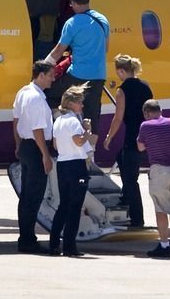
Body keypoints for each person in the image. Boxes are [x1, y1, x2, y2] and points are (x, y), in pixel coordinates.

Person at [45, 0, 109, 150]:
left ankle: (63, 119)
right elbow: (106, 48)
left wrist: (44, 67)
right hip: (98, 75)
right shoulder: (103, 20)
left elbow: (59, 50)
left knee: (49, 95)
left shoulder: (72, 23)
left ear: (73, 3)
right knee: (93, 113)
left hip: (77, 75)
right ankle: (91, 155)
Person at [103, 54, 153, 227]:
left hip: (132, 137)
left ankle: (137, 217)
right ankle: (125, 199)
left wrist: (109, 137)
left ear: (121, 71)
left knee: (131, 179)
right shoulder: (146, 86)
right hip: (147, 135)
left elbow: (118, 117)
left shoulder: (122, 90)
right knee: (121, 160)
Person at [12, 60, 55, 254]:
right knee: (34, 196)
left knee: (27, 197)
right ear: (41, 75)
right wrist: (45, 155)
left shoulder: (23, 92)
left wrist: (19, 144)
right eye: (51, 75)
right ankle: (28, 240)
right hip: (36, 147)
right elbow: (38, 129)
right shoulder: (36, 98)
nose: (53, 79)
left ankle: (26, 238)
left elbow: (16, 121)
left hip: (26, 146)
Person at [137, 99, 170, 258]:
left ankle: (164, 245)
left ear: (147, 113)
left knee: (161, 209)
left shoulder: (146, 126)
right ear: (160, 110)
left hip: (159, 171)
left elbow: (140, 147)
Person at [49, 84, 93, 257]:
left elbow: (55, 144)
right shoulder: (73, 121)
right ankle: (69, 246)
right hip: (76, 165)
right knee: (75, 207)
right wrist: (87, 130)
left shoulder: (58, 120)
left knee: (63, 205)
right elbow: (79, 142)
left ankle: (54, 244)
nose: (82, 105)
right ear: (72, 103)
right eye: (80, 102)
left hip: (63, 163)